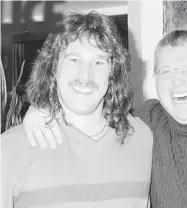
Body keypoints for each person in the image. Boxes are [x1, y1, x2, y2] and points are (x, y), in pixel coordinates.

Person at [23, 30, 187, 208]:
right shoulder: (147, 121)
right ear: (156, 80)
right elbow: (88, 112)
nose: (178, 81)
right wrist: (43, 107)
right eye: (166, 72)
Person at [1, 11, 153, 208]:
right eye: (74, 60)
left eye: (98, 62)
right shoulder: (10, 149)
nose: (85, 75)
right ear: (54, 68)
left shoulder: (142, 138)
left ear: (113, 73)